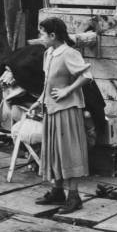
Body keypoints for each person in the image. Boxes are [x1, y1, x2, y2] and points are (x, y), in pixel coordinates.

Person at [29, 17, 92, 214]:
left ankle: (74, 196)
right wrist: (39, 101)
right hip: (51, 109)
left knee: (68, 152)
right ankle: (58, 191)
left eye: (42, 34)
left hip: (67, 111)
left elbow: (87, 76)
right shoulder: (49, 53)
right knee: (54, 151)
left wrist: (67, 91)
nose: (41, 37)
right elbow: (48, 83)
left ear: (53, 35)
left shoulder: (69, 53)